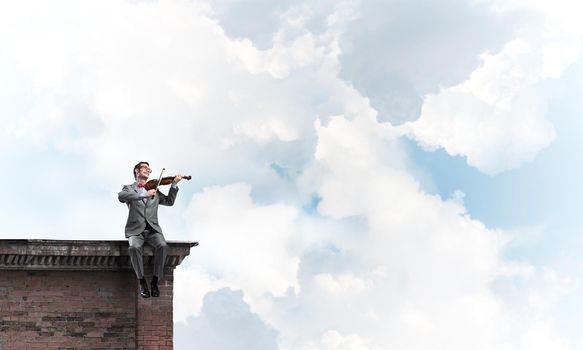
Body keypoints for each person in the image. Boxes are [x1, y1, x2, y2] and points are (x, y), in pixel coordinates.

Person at [118, 161, 183, 298]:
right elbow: (121, 197)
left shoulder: (156, 189)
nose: (149, 170)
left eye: (150, 169)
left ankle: (154, 281)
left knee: (163, 246)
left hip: (153, 229)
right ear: (137, 170)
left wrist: (174, 184)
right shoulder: (129, 188)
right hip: (136, 229)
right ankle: (142, 281)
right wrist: (143, 195)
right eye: (145, 168)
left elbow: (169, 202)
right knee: (134, 248)